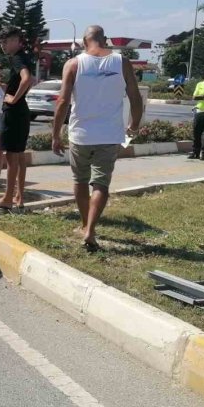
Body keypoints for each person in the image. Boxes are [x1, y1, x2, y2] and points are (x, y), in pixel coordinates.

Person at [52, 25, 143, 251]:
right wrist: (134, 124)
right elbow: (135, 96)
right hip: (109, 134)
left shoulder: (73, 64)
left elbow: (62, 102)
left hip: (80, 134)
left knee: (80, 181)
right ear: (105, 40)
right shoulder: (121, 61)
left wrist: (55, 134)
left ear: (84, 41)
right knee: (101, 184)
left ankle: (85, 225)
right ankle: (91, 229)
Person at [0, 26, 34, 209]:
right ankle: (19, 197)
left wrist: (13, 98)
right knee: (19, 156)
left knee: (11, 157)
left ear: (16, 40)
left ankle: (7, 199)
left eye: (6, 41)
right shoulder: (25, 57)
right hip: (22, 111)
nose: (3, 46)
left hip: (14, 111)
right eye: (1, 42)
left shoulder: (17, 58)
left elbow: (27, 79)